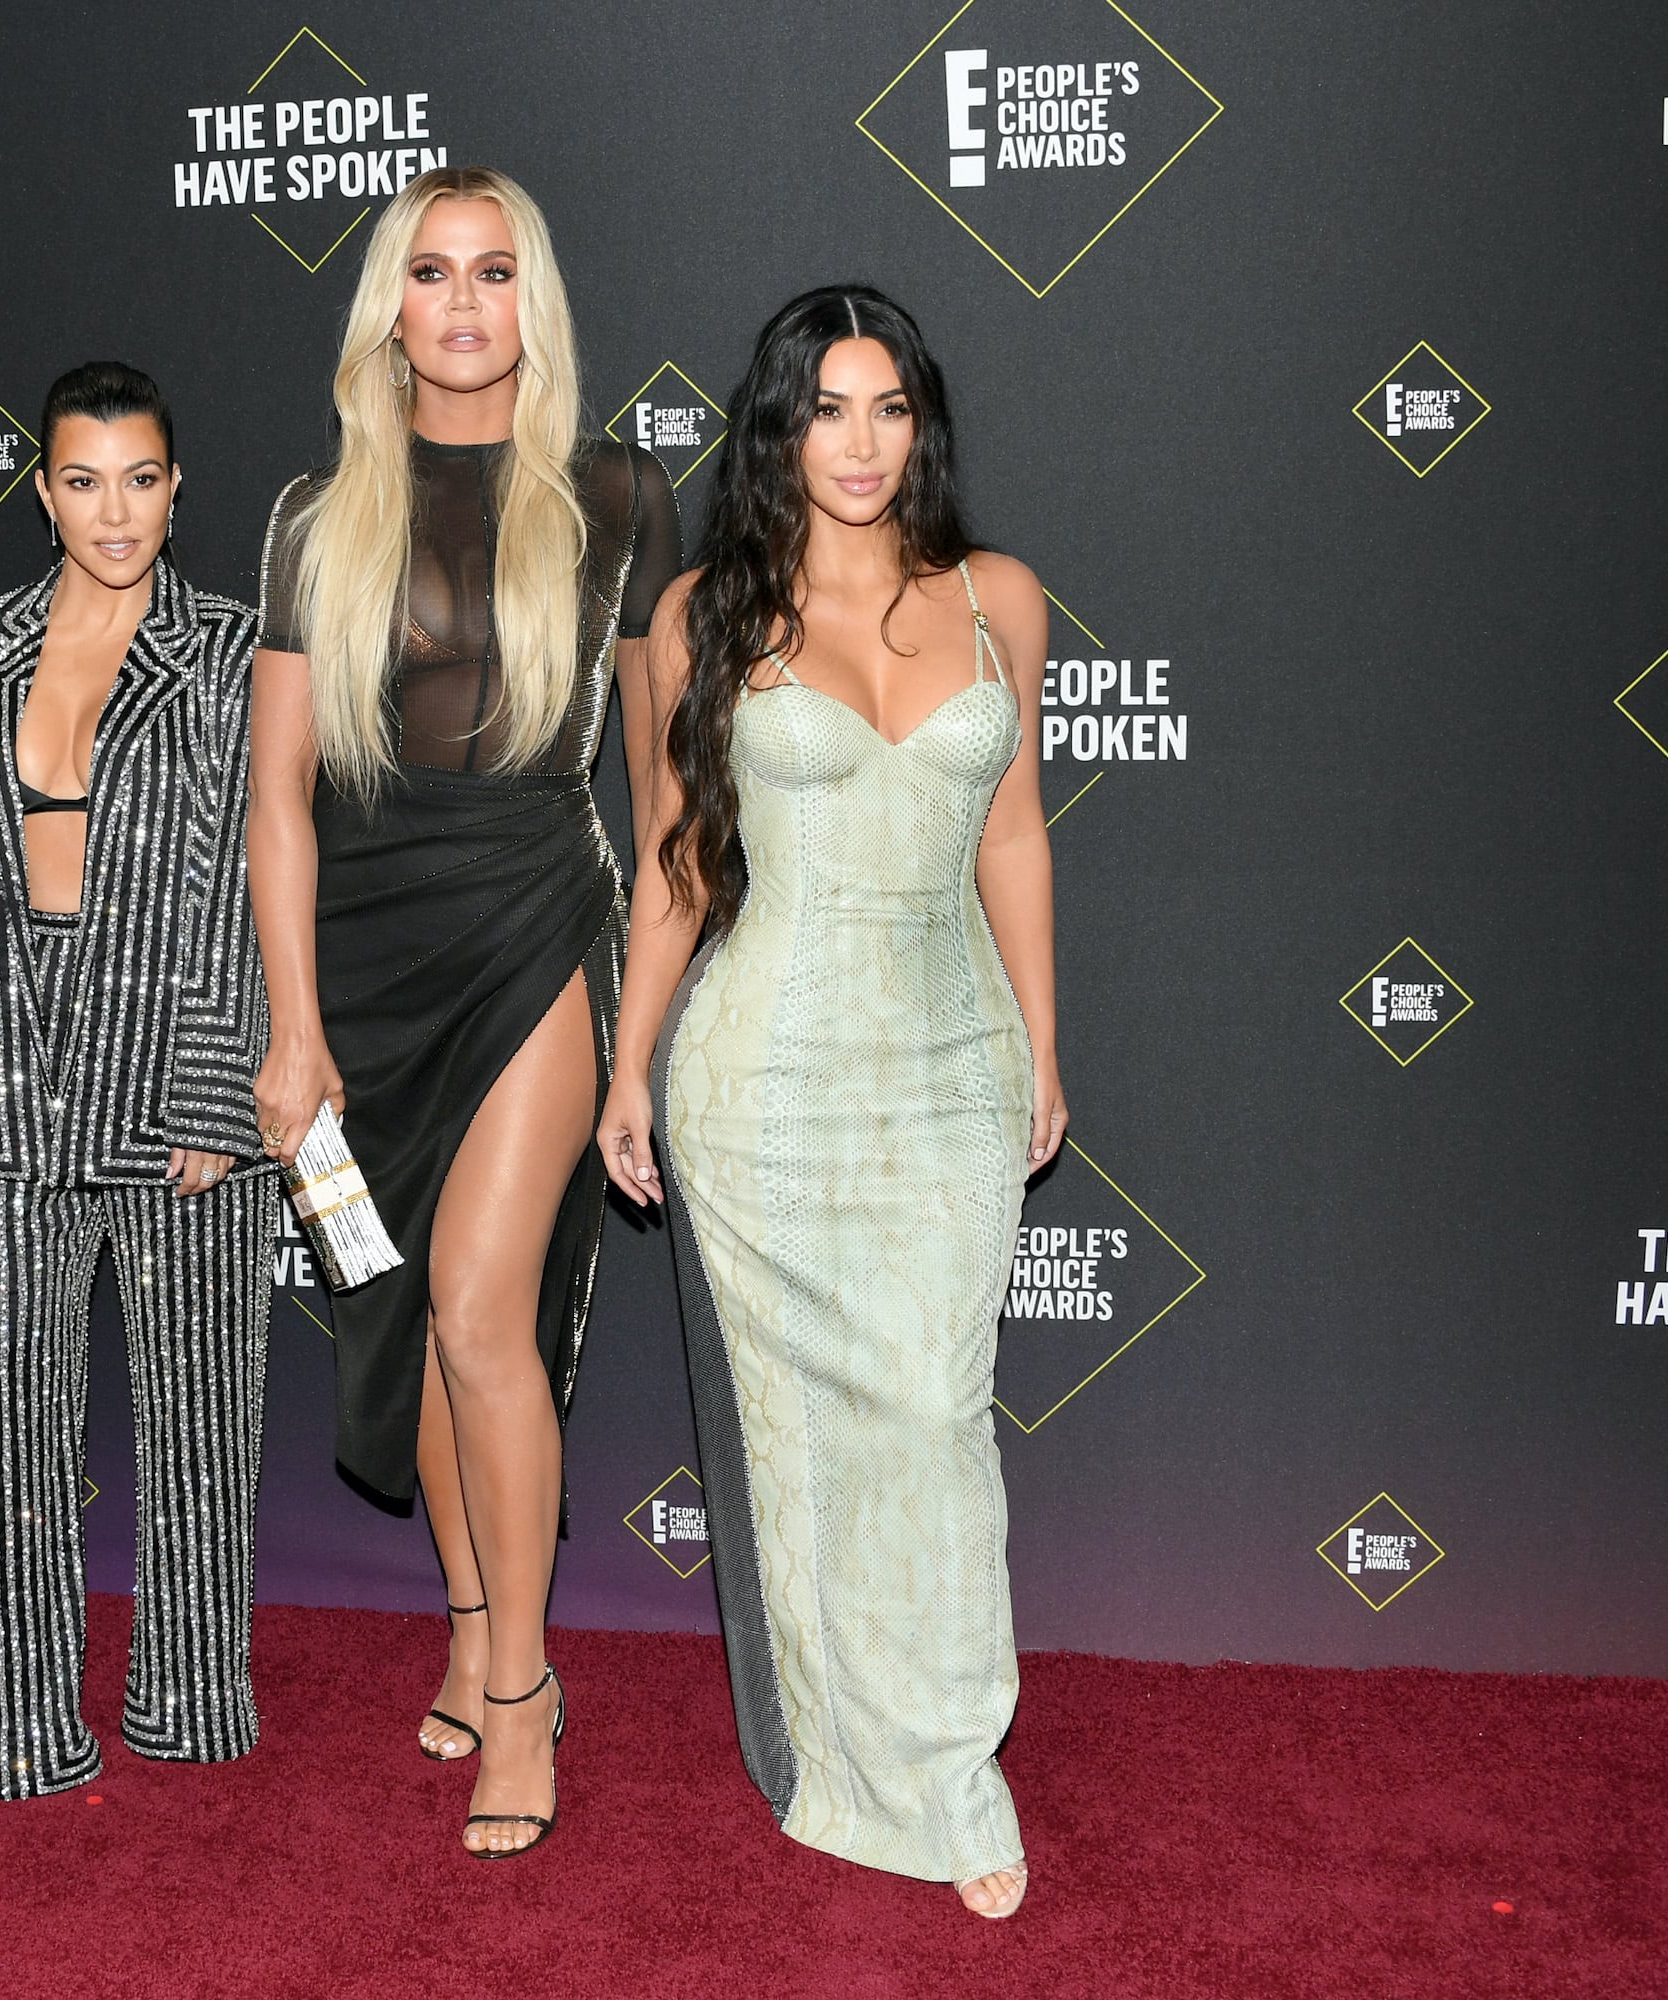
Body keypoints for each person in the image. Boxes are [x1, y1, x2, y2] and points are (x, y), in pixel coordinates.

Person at [597, 285, 1064, 1919]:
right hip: (766, 1080)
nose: (859, 444)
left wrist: (1044, 1046)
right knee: (804, 1434)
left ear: (921, 423)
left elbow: (1013, 832)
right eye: (825, 411)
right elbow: (679, 859)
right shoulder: (703, 615)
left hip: (953, 1060)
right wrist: (627, 1066)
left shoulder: (999, 599)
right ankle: (853, 1770)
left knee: (936, 1416)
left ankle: (951, 1762)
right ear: (777, 430)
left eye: (888, 408)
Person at [249, 165, 679, 1858]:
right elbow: (279, 801)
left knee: (485, 1305)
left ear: (532, 302)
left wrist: (650, 1027)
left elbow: (665, 794)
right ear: (392, 308)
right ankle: (470, 1622)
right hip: (366, 951)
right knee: (418, 1314)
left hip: (535, 921)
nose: (464, 304)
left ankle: (521, 1692)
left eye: (496, 273)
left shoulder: (622, 496)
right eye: (431, 273)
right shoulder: (314, 515)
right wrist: (294, 1027)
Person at [0, 362, 273, 1802]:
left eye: (142, 480)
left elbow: (258, 870)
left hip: (174, 1054)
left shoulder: (235, 648)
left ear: (178, 489)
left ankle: (188, 1693)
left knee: (198, 1411)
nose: (116, 512)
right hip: (3, 1048)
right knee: (6, 1421)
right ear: (42, 492)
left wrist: (221, 1078)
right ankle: (16, 1720)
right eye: (84, 481)